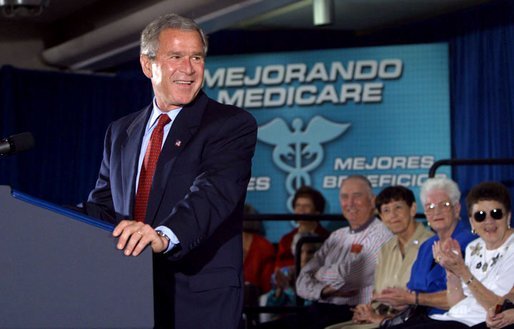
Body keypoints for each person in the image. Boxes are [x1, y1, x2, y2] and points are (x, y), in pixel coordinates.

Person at [81, 13, 257, 329]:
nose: (188, 69)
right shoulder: (121, 131)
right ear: (148, 65)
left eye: (197, 57)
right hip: (128, 295)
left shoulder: (230, 125)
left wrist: (162, 236)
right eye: (176, 56)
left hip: (197, 302)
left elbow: (213, 193)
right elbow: (104, 209)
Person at [259, 175, 393, 329]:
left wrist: (320, 275)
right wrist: (325, 289)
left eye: (357, 196)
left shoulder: (382, 235)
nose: (349, 203)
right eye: (344, 197)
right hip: (320, 308)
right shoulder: (337, 235)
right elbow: (302, 281)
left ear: (372, 200)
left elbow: (347, 278)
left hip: (352, 311)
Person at [398, 181, 514, 328]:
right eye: (480, 216)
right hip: (450, 318)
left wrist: (463, 272)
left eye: (496, 214)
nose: (489, 221)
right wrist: (451, 272)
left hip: (475, 323)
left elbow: (498, 309)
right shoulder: (474, 247)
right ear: (472, 222)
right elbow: (457, 303)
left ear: (508, 217)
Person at [372, 177, 476, 327]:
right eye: (430, 207)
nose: (436, 212)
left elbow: (466, 296)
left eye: (444, 205)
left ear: (457, 208)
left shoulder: (471, 243)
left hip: (455, 320)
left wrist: (413, 299)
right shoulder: (426, 246)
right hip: (419, 318)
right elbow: (412, 293)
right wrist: (394, 299)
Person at [326, 185, 434, 329]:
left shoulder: (431, 243)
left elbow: (429, 296)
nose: (393, 215)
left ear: (413, 209)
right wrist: (365, 309)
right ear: (382, 218)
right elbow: (377, 293)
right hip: (380, 317)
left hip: (413, 320)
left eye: (398, 208)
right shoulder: (385, 249)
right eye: (386, 210)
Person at [270, 186, 331, 309]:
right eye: (298, 206)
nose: (301, 210)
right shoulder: (286, 239)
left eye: (306, 206)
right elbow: (279, 269)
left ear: (317, 211)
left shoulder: (328, 238)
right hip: (290, 292)